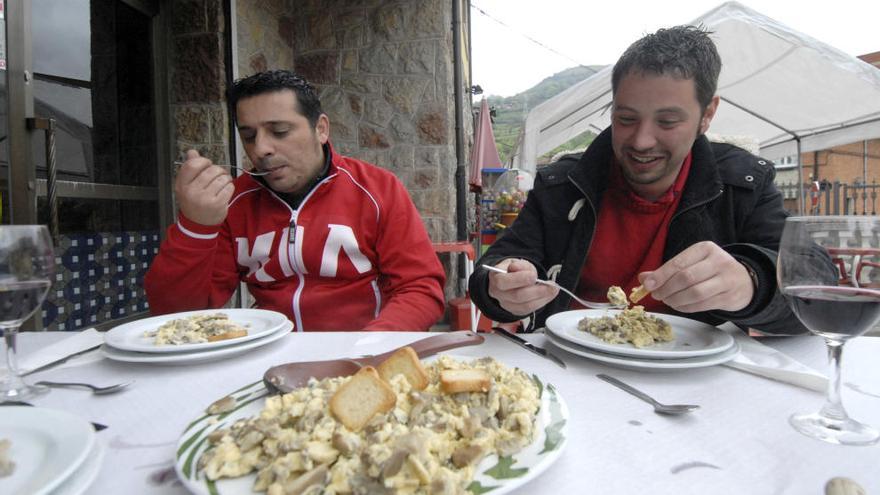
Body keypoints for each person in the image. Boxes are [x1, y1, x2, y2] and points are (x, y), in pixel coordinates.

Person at [469, 26, 806, 335]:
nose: (642, 141)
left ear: (707, 115)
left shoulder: (743, 183)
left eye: (668, 121)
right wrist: (501, 286)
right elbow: (492, 269)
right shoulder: (562, 183)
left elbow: (811, 286)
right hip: (568, 368)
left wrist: (750, 284)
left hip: (697, 384)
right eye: (626, 118)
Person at [145, 70, 445, 331]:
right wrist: (196, 226)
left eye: (279, 131)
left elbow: (420, 288)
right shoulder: (234, 202)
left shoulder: (377, 189)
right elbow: (177, 316)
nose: (261, 148)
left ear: (321, 129)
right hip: (267, 358)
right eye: (248, 136)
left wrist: (372, 343)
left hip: (364, 350)